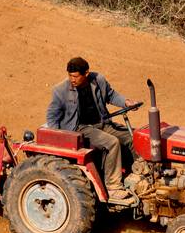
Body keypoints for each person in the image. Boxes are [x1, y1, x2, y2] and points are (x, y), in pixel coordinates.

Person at [45, 57, 139, 200]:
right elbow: (52, 117)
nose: (72, 79)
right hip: (79, 129)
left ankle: (137, 175)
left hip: (102, 123)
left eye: (75, 76)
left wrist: (126, 102)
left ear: (86, 74)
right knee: (112, 143)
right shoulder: (61, 91)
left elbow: (111, 95)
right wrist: (58, 138)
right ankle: (113, 187)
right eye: (70, 75)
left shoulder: (98, 80)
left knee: (134, 137)